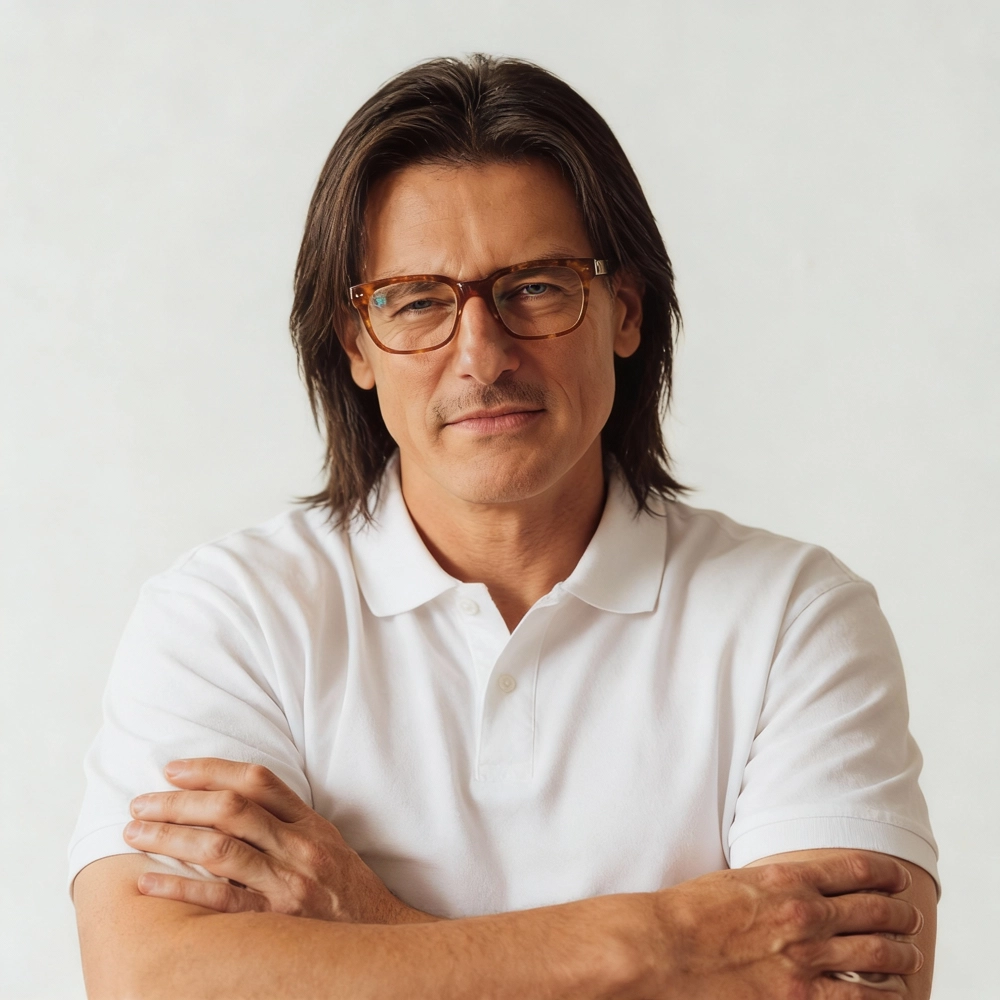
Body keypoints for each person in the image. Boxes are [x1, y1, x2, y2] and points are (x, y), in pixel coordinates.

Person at [70, 55, 938, 999]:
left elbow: (855, 990)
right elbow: (149, 978)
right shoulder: (231, 618)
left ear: (624, 311)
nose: (481, 357)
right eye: (417, 302)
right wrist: (660, 947)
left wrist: (375, 932)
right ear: (357, 345)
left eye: (535, 287)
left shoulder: (795, 620)